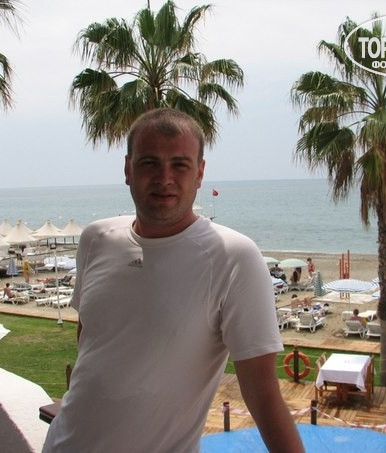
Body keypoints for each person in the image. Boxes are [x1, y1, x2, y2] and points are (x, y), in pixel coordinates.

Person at [43, 109, 304, 452]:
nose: (164, 178)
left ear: (199, 173)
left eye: (179, 164)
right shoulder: (96, 238)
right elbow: (89, 340)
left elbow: (262, 393)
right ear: (128, 169)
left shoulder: (233, 257)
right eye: (149, 162)